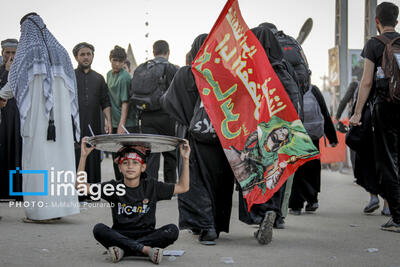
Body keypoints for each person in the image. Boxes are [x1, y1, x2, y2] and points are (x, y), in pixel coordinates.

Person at [0, 13, 80, 221]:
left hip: (38, 120)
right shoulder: (61, 52)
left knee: (37, 162)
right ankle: (59, 210)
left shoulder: (27, 52)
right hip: (60, 124)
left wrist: (1, 95)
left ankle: (40, 212)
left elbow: (15, 81)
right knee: (59, 161)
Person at [162, 34, 235, 245]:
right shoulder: (226, 74)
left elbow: (169, 102)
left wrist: (188, 119)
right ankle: (216, 225)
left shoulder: (186, 73)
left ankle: (205, 227)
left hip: (192, 139)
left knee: (194, 183)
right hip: (222, 141)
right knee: (219, 183)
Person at [76, 137, 190, 264]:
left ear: (143, 167)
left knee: (172, 230)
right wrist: (83, 156)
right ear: (119, 167)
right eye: (125, 163)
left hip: (147, 236)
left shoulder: (152, 187)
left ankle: (124, 250)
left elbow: (183, 187)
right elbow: (81, 186)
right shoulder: (112, 187)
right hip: (120, 235)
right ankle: (145, 250)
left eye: (135, 163)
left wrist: (185, 159)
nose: (130, 166)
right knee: (98, 229)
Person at [350, 2, 400, 233]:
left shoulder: (373, 44)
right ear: (397, 21)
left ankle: (397, 217)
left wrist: (358, 112)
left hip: (385, 107)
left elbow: (367, 81)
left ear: (376, 21)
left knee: (387, 161)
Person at [131, 40, 179, 184]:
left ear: (153, 52)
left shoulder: (143, 68)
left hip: (146, 116)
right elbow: (177, 93)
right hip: (167, 116)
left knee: (151, 153)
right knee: (170, 152)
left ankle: (151, 185)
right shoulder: (172, 68)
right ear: (168, 52)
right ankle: (170, 186)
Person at [289, 85, 338, 215]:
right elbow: (324, 113)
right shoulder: (313, 89)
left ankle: (296, 205)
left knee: (296, 167)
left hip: (295, 134)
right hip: (312, 134)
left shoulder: (289, 86)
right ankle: (313, 200)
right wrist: (332, 137)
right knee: (313, 167)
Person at [73, 42, 112, 185]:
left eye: (88, 54)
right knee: (77, 156)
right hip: (76, 125)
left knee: (94, 156)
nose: (86, 57)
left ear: (93, 56)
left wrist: (108, 121)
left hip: (95, 124)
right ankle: (79, 192)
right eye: (82, 54)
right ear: (76, 57)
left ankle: (93, 190)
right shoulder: (70, 77)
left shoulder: (99, 78)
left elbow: (105, 102)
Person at [107, 45, 137, 180]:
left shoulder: (125, 78)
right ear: (110, 59)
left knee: (127, 157)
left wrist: (121, 125)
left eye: (120, 61)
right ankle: (119, 185)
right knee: (116, 157)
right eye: (114, 60)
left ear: (124, 62)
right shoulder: (108, 74)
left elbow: (126, 103)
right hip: (114, 121)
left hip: (126, 123)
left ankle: (128, 186)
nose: (117, 63)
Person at [0, 38, 22, 200]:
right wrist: (7, 71)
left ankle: (18, 190)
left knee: (18, 153)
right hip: (2, 119)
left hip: (19, 118)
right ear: (2, 53)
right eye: (7, 52)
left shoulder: (24, 70)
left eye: (14, 53)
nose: (10, 56)